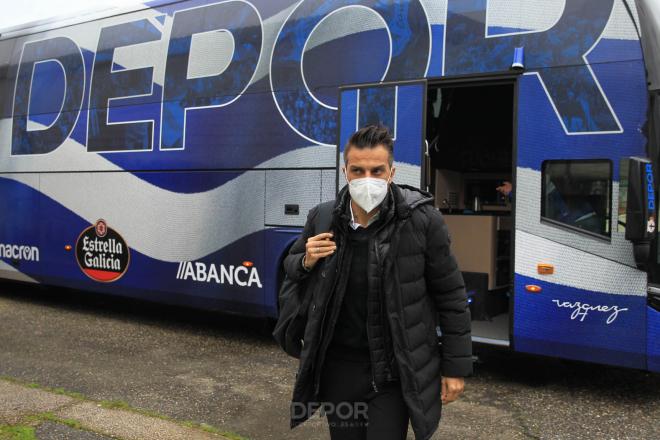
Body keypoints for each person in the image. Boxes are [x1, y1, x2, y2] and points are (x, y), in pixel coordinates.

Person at [283, 125, 472, 440]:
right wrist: (306, 260)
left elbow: (451, 295)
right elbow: (292, 268)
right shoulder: (323, 217)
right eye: (357, 170)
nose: (366, 178)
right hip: (339, 370)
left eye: (376, 170)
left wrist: (455, 367)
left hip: (392, 373)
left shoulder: (421, 221)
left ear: (391, 172)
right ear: (345, 171)